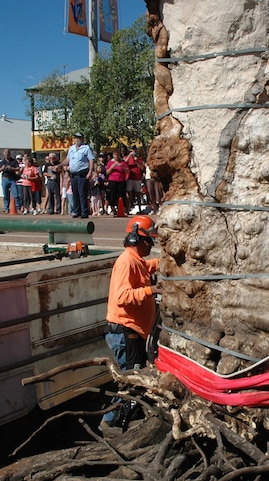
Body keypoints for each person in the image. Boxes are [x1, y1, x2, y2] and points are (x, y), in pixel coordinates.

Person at [104, 215, 161, 425]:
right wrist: (151, 290)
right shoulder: (126, 262)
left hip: (132, 332)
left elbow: (147, 268)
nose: (151, 244)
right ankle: (112, 422)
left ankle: (120, 420)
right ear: (136, 238)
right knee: (130, 381)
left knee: (133, 379)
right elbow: (122, 297)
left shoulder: (137, 262)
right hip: (125, 331)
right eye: (149, 240)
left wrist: (167, 261)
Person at [57, 132, 95, 219]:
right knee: (75, 194)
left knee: (82, 193)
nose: (77, 139)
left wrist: (90, 172)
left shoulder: (86, 148)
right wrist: (59, 165)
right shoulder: (71, 148)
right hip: (73, 174)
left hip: (82, 174)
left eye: (79, 138)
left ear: (82, 139)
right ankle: (76, 211)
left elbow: (91, 160)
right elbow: (67, 160)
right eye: (76, 138)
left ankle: (84, 212)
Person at [0, 149, 21, 214]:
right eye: (5, 155)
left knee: (16, 194)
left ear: (9, 154)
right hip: (5, 178)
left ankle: (18, 208)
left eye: (7, 155)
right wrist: (2, 168)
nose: (6, 156)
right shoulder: (2, 162)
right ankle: (6, 208)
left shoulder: (14, 161)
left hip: (12, 179)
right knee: (5, 195)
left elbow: (18, 168)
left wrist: (12, 168)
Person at [105, 149, 129, 215]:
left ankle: (122, 209)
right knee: (113, 195)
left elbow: (128, 171)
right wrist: (112, 167)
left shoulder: (123, 162)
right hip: (112, 180)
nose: (116, 156)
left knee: (122, 195)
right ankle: (113, 209)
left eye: (117, 155)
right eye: (115, 155)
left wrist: (122, 166)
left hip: (121, 180)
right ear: (113, 155)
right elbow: (107, 172)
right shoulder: (110, 162)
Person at [124, 148, 145, 212]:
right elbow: (124, 162)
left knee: (138, 194)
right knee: (129, 194)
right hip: (129, 178)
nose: (133, 152)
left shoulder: (139, 158)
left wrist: (137, 161)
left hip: (137, 178)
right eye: (132, 151)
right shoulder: (127, 157)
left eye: (134, 151)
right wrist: (130, 155)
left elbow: (141, 168)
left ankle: (140, 209)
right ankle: (128, 208)